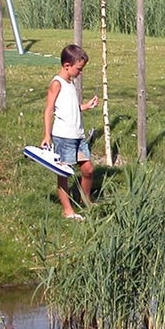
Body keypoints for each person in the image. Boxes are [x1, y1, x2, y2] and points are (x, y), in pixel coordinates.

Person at [40, 44, 98, 220]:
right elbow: (49, 110)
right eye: (78, 69)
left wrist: (85, 106)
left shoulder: (70, 83)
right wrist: (47, 135)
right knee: (64, 174)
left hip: (78, 136)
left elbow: (70, 107)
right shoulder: (57, 84)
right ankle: (67, 211)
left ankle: (85, 200)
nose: (80, 73)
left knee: (88, 169)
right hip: (63, 137)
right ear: (67, 65)